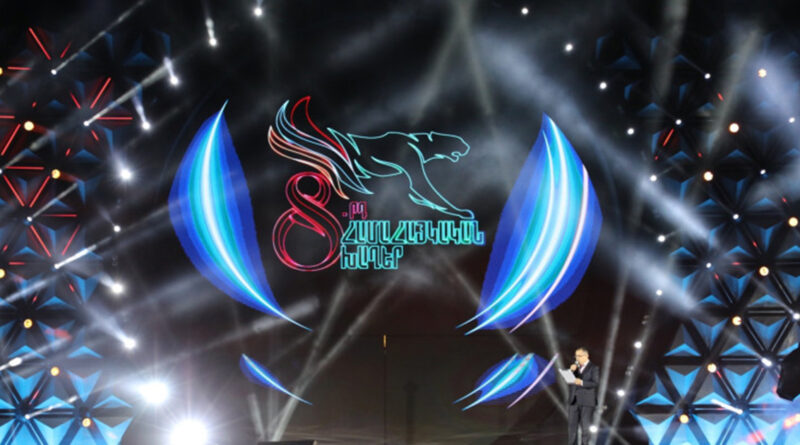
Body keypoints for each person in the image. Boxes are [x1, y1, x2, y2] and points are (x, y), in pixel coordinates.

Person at [567, 347, 598, 445]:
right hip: (574, 400)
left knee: (585, 427)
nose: (577, 358)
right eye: (576, 356)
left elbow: (595, 383)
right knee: (572, 427)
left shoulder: (594, 368)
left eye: (579, 356)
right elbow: (571, 382)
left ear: (586, 356)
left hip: (586, 401)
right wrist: (571, 372)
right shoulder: (575, 367)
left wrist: (582, 382)